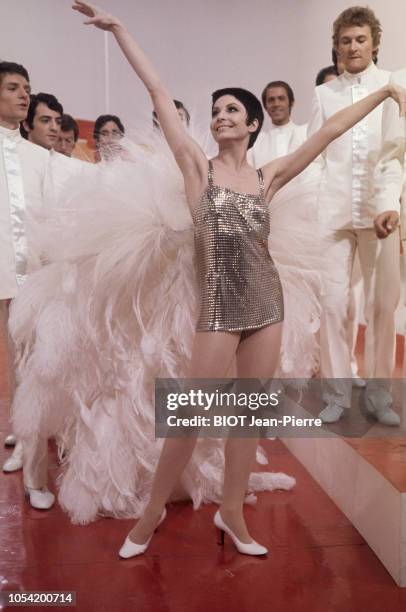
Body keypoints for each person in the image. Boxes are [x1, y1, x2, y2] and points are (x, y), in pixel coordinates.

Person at [70, 1, 405, 558]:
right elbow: (158, 93)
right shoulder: (194, 167)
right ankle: (150, 513)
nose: (221, 115)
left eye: (232, 110)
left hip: (266, 305)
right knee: (192, 413)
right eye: (216, 109)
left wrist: (386, 93)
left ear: (252, 125)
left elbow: (329, 131)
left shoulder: (268, 176)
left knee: (246, 415)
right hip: (219, 307)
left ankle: (230, 514)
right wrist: (120, 31)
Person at [307, 6, 403, 424]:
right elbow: (314, 157)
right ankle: (336, 392)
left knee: (383, 305)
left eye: (360, 39)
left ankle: (380, 394)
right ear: (336, 46)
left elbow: (395, 154)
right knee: (333, 303)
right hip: (332, 213)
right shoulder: (323, 95)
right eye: (345, 40)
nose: (353, 46)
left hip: (381, 213)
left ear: (375, 42)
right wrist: (312, 208)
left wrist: (388, 203)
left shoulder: (393, 84)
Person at [0, 61, 56, 508]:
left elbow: (55, 218)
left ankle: (36, 475)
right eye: (14, 88)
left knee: (36, 368)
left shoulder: (41, 157)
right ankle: (19, 439)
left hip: (37, 277)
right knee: (13, 370)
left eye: (27, 88)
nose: (24, 95)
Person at [248, 81, 307, 169]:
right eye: (271, 100)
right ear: (265, 106)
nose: (276, 104)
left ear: (291, 103)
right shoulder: (255, 142)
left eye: (281, 98)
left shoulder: (306, 134)